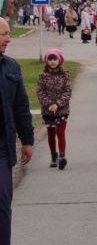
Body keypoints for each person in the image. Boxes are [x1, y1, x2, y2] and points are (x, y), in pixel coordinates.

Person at [0, 17, 34, 245]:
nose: (9, 39)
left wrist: (28, 140)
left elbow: (21, 106)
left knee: (2, 203)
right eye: (3, 34)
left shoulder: (11, 66)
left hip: (2, 147)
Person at [36, 49, 72, 170]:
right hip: (48, 110)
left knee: (60, 132)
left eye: (54, 59)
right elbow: (40, 92)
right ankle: (53, 156)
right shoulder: (42, 75)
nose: (52, 62)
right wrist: (49, 104)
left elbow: (67, 91)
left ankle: (62, 156)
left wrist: (57, 104)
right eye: (50, 59)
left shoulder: (65, 74)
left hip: (62, 109)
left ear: (59, 60)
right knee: (51, 134)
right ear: (47, 61)